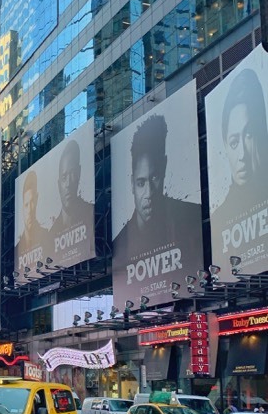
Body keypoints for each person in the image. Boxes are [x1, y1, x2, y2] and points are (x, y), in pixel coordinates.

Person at [113, 114, 202, 297]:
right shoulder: (119, 247)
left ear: (164, 169)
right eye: (140, 183)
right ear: (131, 184)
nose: (149, 194)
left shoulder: (193, 218)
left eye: (154, 178)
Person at [210, 71, 268, 266]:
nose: (242, 155)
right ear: (225, 145)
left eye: (249, 135)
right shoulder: (218, 221)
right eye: (234, 142)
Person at [49, 138, 94, 264]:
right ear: (59, 184)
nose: (68, 184)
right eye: (64, 177)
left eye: (72, 174)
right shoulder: (50, 234)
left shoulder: (92, 214)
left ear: (79, 174)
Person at [16, 170, 50, 273]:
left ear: (37, 200)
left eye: (32, 203)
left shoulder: (47, 236)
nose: (30, 210)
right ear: (22, 208)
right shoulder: (17, 249)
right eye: (26, 205)